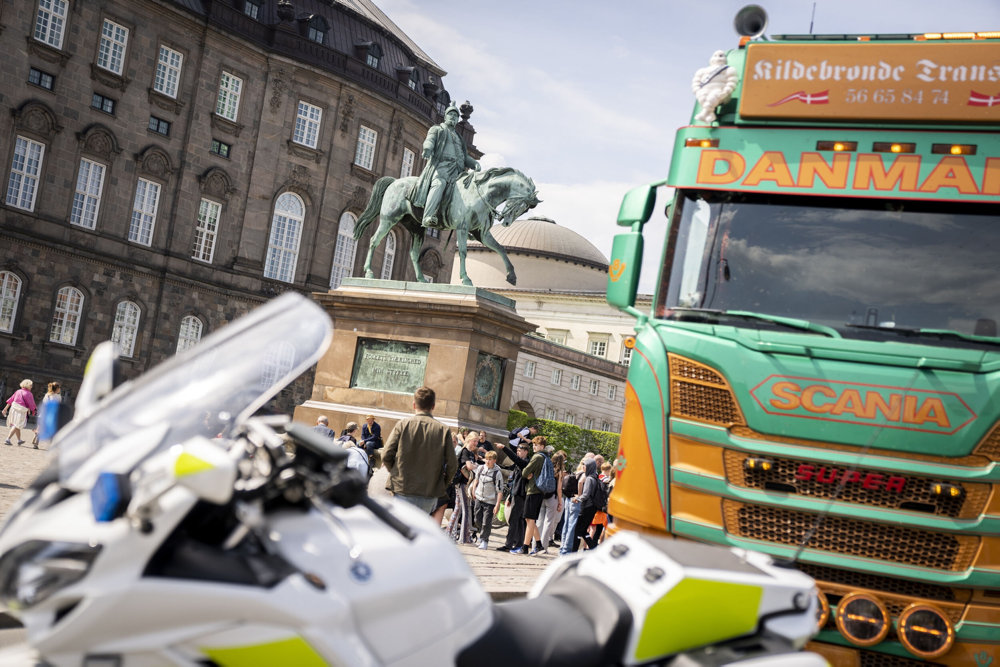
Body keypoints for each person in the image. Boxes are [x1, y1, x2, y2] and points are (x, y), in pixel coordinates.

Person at [382, 386, 457, 514]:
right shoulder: (443, 430)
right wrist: (441, 484)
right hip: (429, 492)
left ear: (414, 405)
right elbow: (452, 465)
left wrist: (396, 473)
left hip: (403, 488)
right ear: (433, 406)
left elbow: (386, 455)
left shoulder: (403, 424)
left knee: (400, 530)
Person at [411, 102, 480, 228]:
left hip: (457, 173)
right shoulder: (437, 129)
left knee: (467, 191)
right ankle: (427, 216)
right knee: (439, 184)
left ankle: (467, 223)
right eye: (450, 114)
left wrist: (474, 163)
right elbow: (430, 140)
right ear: (445, 116)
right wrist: (427, 148)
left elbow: (464, 157)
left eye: (455, 115)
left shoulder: (459, 138)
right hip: (441, 167)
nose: (453, 117)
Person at [519, 436, 550, 555]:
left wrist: (528, 474)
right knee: (529, 519)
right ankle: (539, 545)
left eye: (536, 445)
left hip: (533, 490)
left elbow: (525, 472)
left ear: (542, 446)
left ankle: (525, 547)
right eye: (533, 445)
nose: (534, 447)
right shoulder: (546, 456)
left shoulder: (537, 457)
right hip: (540, 491)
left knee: (530, 519)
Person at [497, 440, 530, 552]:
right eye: (517, 451)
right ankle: (519, 543)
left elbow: (516, 459)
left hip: (521, 494)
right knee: (519, 520)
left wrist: (504, 448)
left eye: (519, 451)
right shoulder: (519, 463)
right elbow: (510, 472)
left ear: (526, 452)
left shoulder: (525, 462)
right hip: (516, 493)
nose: (518, 453)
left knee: (514, 520)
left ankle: (509, 544)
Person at [469, 450, 504, 550]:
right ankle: (483, 534)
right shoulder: (480, 468)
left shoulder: (497, 473)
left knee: (486, 522)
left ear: (494, 461)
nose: (487, 462)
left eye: (490, 460)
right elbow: (476, 480)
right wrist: (474, 490)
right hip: (479, 498)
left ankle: (484, 540)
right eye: (486, 459)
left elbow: (500, 491)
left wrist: (497, 504)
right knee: (477, 519)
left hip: (490, 501)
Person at [448, 434, 479, 544]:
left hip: (464, 483)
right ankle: (463, 537)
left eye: (477, 441)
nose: (476, 443)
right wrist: (476, 466)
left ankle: (449, 533)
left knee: (458, 509)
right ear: (469, 440)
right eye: (474, 441)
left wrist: (473, 464)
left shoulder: (470, 452)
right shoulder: (465, 451)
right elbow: (469, 467)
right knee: (466, 510)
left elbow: (470, 466)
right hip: (462, 483)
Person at [571, 459, 602, 553]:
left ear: (589, 467)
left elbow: (586, 494)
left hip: (587, 508)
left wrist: (577, 499)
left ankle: (573, 552)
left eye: (585, 465)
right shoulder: (595, 477)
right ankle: (593, 548)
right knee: (584, 531)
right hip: (592, 507)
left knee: (577, 531)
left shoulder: (589, 479)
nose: (583, 467)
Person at [539, 449, 566, 551]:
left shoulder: (546, 468)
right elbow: (559, 489)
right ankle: (543, 546)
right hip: (552, 498)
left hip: (542, 496)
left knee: (539, 522)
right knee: (548, 522)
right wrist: (560, 502)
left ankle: (535, 545)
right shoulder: (559, 472)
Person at [558, 462, 584, 556]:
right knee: (572, 526)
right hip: (576, 501)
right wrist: (580, 496)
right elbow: (581, 483)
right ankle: (567, 550)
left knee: (566, 524)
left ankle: (563, 548)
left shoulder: (576, 472)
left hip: (569, 499)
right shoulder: (583, 474)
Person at [3, 379, 37, 447]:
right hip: (21, 411)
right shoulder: (29, 394)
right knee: (16, 425)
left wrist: (5, 409)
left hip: (13, 409)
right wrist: (34, 411)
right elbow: (32, 404)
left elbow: (10, 400)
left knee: (17, 425)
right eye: (31, 385)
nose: (31, 387)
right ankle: (8, 439)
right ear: (28, 385)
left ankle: (19, 440)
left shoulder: (18, 391)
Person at [30, 382, 61, 449]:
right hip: (52, 415)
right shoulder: (58, 397)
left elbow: (44, 404)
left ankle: (36, 443)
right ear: (57, 389)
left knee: (40, 428)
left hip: (44, 413)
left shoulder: (47, 395)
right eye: (59, 388)